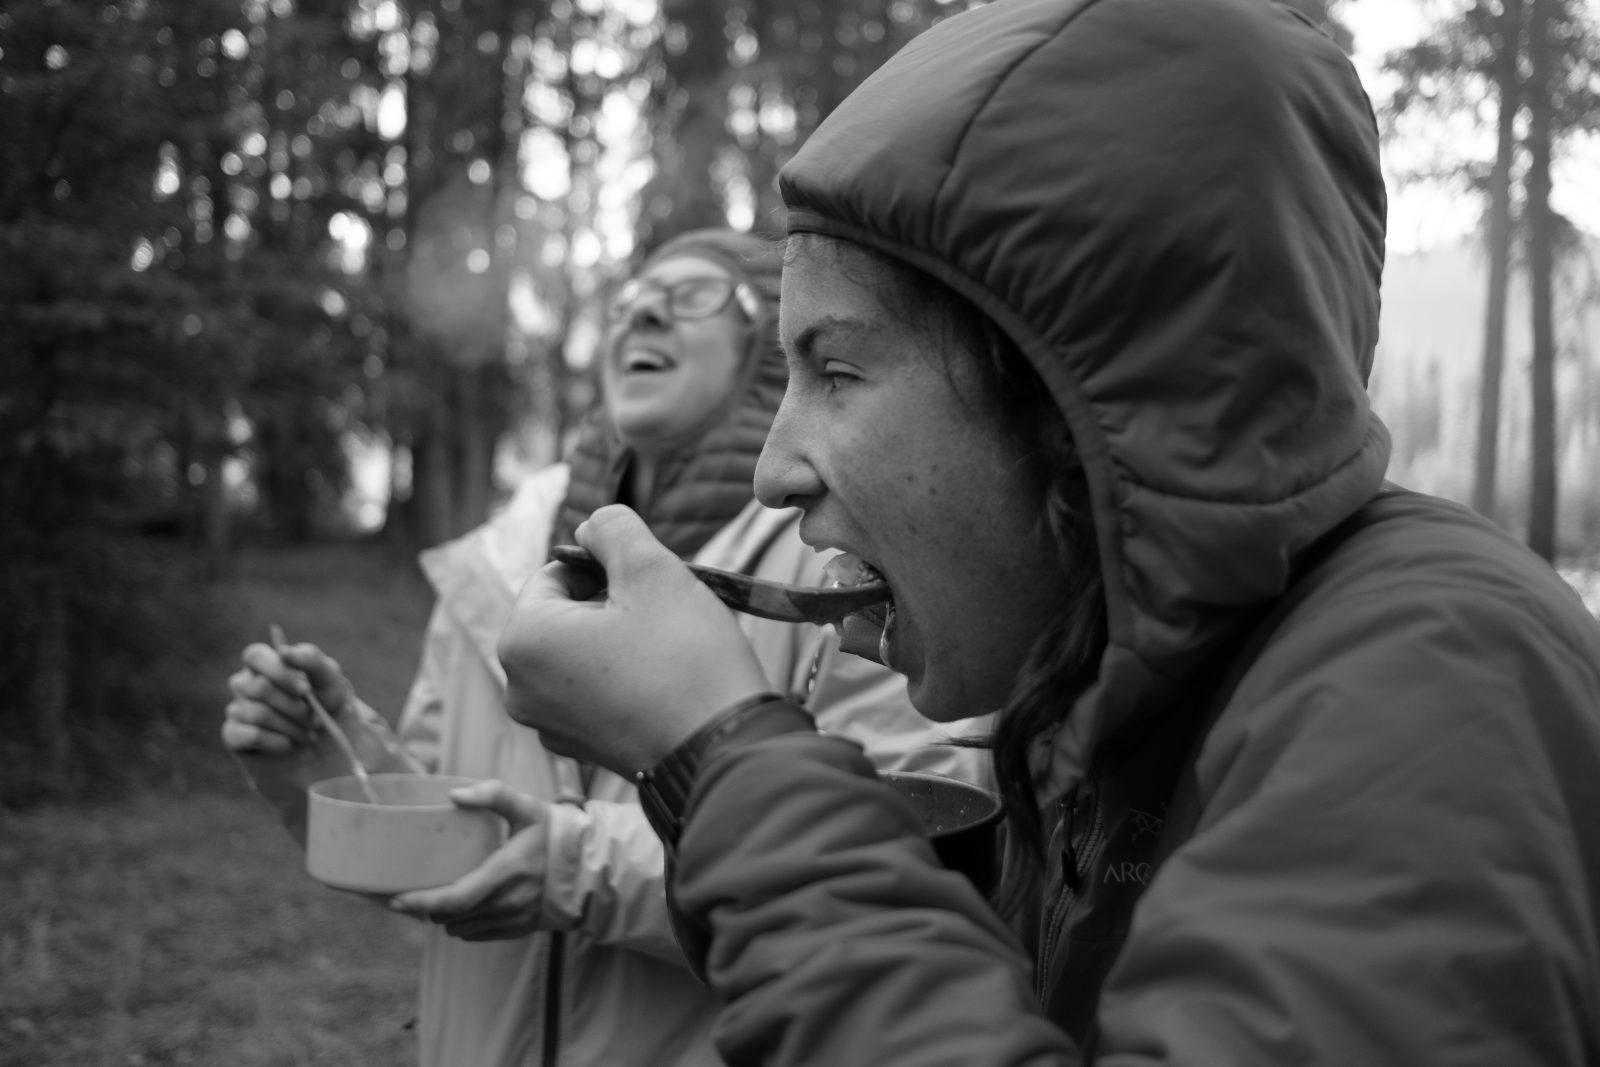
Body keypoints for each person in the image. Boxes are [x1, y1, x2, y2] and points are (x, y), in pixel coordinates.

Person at [493, 1, 1600, 1064]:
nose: (777, 469)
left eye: (836, 370)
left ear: (1077, 401)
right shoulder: (1119, 694)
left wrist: (716, 752)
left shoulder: (1435, 671)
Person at [221, 228, 990, 1067]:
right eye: (622, 304)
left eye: (694, 294)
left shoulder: (841, 556)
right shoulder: (500, 559)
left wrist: (573, 864)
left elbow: (909, 861)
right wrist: (342, 760)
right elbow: (453, 833)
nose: (643, 310)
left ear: (768, 347)